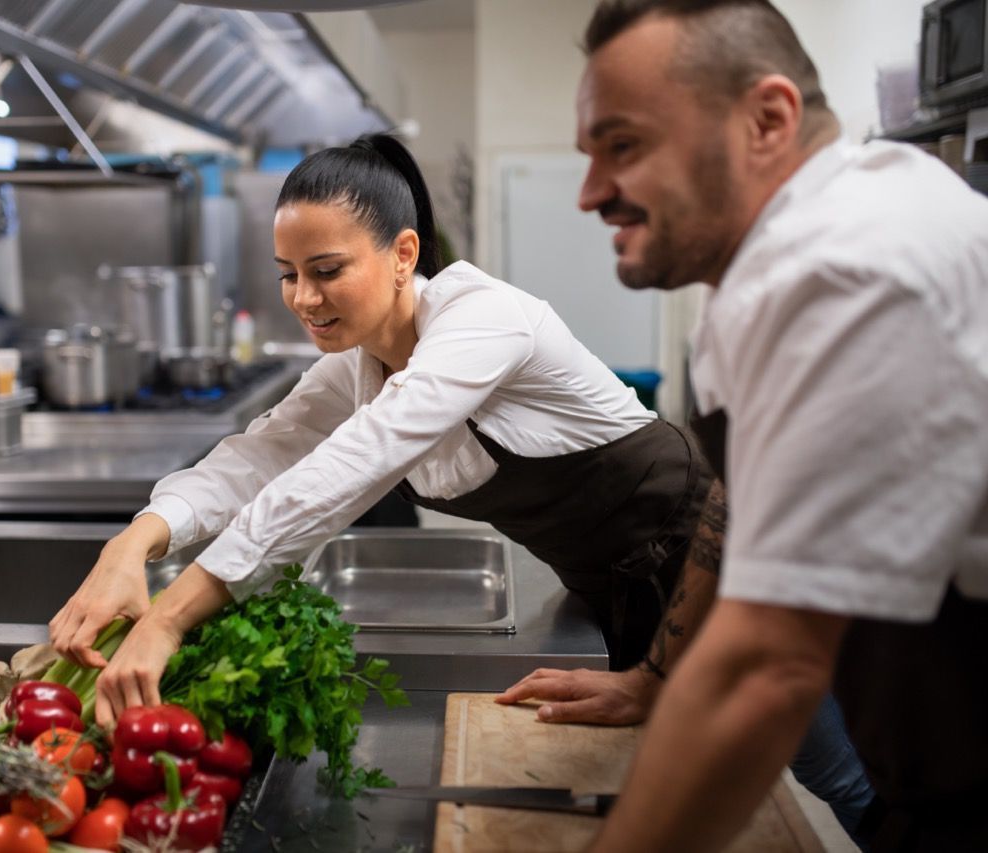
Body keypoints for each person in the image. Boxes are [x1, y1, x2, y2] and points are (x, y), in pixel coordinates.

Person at [49, 133, 720, 736]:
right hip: (605, 586)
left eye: (327, 270)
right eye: (288, 274)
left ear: (404, 254)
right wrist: (132, 542)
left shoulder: (485, 319)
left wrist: (169, 617)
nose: (304, 298)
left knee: (816, 759)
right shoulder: (356, 364)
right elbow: (259, 454)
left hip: (699, 563)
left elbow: (351, 466)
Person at [572, 1, 988, 851]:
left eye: (624, 146)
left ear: (767, 120)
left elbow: (765, 668)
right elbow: (738, 502)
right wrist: (656, 676)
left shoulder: (849, 269)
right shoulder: (783, 266)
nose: (591, 193)